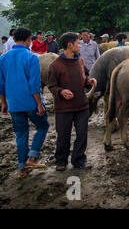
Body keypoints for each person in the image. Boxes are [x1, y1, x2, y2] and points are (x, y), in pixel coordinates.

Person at [0, 27, 49, 178]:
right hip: (30, 102)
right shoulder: (32, 57)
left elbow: (1, 84)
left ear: (13, 40)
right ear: (30, 40)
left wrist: (3, 103)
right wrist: (39, 104)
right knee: (42, 126)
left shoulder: (3, 58)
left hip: (13, 103)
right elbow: (34, 85)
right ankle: (32, 157)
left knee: (21, 134)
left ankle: (21, 169)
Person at [48, 32, 97, 171]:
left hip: (81, 105)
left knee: (82, 134)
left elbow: (85, 77)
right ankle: (61, 160)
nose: (80, 45)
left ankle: (79, 159)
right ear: (70, 45)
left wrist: (89, 81)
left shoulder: (80, 61)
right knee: (63, 135)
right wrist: (61, 91)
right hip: (64, 107)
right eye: (77, 43)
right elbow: (51, 86)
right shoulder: (55, 65)